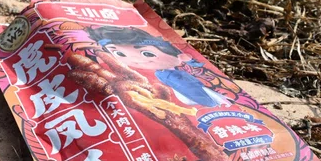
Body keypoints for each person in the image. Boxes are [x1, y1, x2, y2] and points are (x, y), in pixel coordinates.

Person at [85, 26, 230, 108]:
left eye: (147, 53)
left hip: (199, 95)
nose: (136, 60)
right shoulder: (157, 76)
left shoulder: (177, 72)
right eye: (118, 53)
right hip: (178, 94)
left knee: (205, 98)